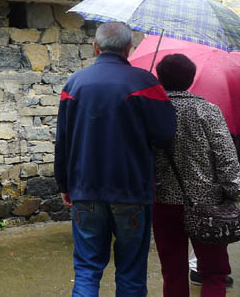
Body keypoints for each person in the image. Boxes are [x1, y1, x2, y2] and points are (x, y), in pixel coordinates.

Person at [55, 21, 177, 296]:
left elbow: (63, 140)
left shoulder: (74, 84)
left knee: (86, 269)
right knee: (131, 271)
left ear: (96, 47)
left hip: (84, 189)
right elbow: (165, 135)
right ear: (129, 49)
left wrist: (64, 185)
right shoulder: (145, 83)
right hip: (131, 190)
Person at [152, 53, 240, 297]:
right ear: (191, 79)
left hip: (163, 202)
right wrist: (234, 192)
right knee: (214, 273)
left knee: (173, 271)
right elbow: (226, 157)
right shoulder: (208, 111)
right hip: (207, 204)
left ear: (159, 77)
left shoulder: (151, 111)